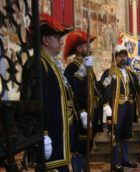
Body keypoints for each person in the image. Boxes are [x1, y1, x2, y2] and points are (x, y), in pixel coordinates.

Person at [22, 14, 73, 171]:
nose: (61, 42)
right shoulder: (38, 63)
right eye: (57, 37)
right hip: (48, 137)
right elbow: (35, 102)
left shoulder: (50, 64)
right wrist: (41, 133)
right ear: (45, 40)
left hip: (57, 136)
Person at [100, 45, 140, 172]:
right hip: (116, 108)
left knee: (126, 134)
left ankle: (125, 160)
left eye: (124, 56)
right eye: (120, 56)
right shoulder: (110, 72)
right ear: (115, 58)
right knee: (115, 134)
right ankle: (115, 162)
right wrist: (105, 105)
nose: (123, 58)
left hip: (129, 107)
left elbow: (137, 91)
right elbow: (103, 89)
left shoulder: (131, 74)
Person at [63, 30, 103, 172]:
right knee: (79, 148)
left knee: (87, 146)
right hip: (81, 114)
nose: (90, 48)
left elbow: (94, 88)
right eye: (86, 45)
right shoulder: (72, 67)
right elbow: (72, 90)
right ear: (79, 49)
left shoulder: (88, 65)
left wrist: (102, 104)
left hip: (91, 111)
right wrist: (82, 112)